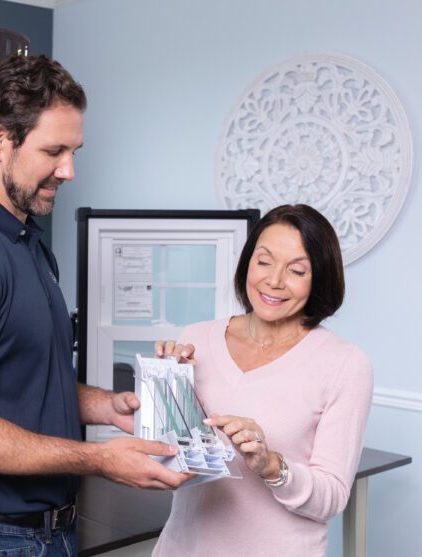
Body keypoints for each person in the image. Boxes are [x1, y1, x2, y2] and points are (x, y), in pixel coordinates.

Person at [0, 54, 190, 557]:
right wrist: (97, 460)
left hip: (41, 533)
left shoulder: (24, 240)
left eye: (74, 151)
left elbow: (25, 378)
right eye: (54, 150)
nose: (69, 170)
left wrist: (104, 406)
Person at [153, 204, 373, 556]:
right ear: (247, 263)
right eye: (264, 261)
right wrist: (165, 388)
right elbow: (171, 461)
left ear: (320, 277)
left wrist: (271, 465)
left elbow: (331, 498)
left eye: (296, 270)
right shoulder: (195, 339)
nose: (274, 280)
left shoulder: (345, 364)